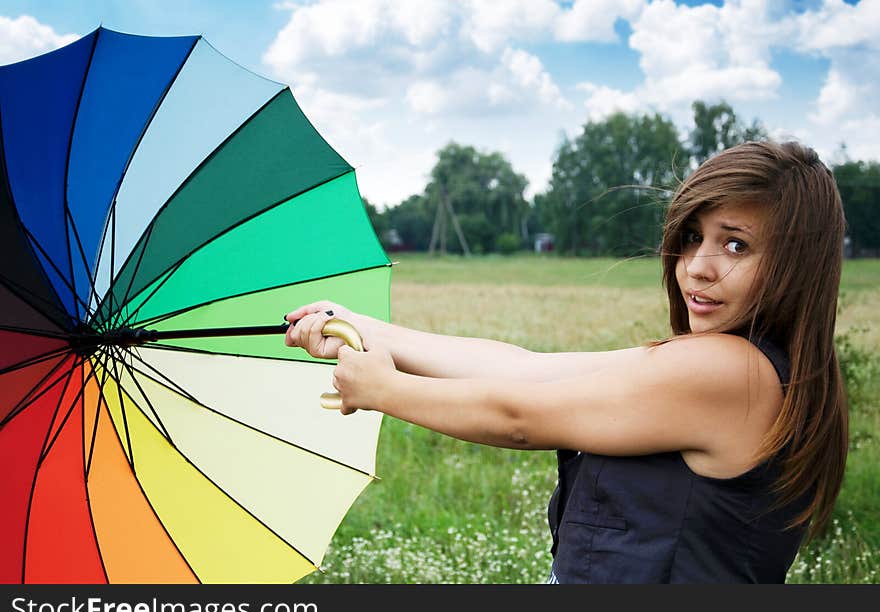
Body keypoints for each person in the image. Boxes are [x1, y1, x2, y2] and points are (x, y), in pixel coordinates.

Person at [283, 140, 849, 584]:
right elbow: (526, 368)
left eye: (735, 245)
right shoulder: (715, 363)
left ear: (797, 264)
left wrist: (383, 389)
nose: (696, 266)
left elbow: (518, 417)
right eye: (692, 236)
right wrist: (358, 325)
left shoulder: (735, 375)